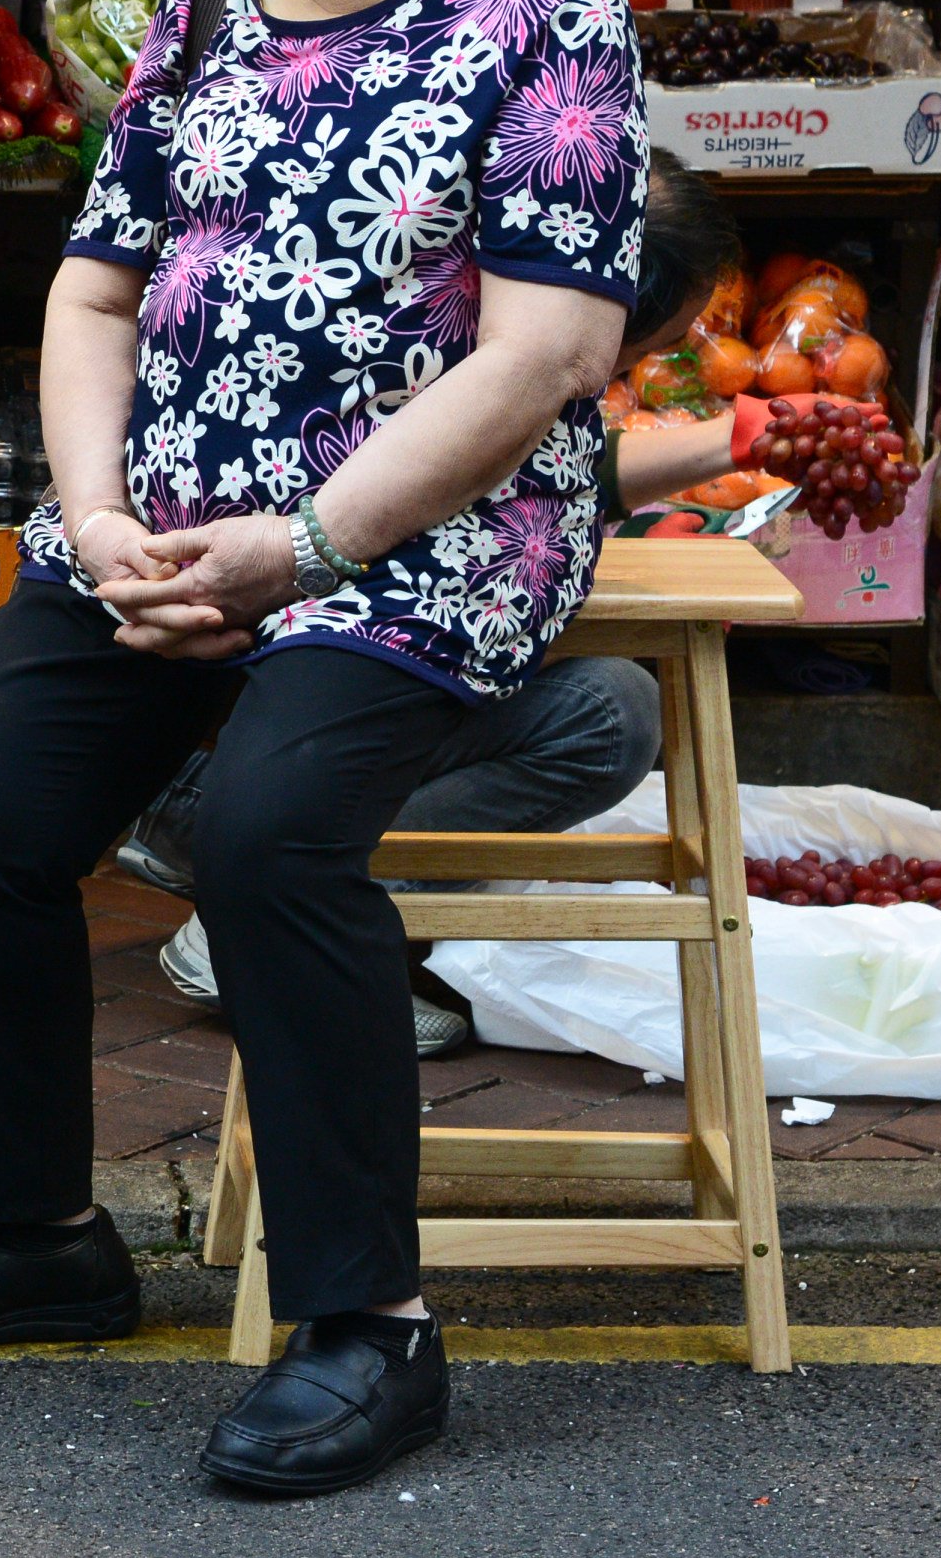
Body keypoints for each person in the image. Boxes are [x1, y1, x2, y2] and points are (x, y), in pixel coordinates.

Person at [0, 0, 651, 1500]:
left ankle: (368, 1327)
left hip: (418, 537)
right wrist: (99, 512)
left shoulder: (550, 2)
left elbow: (550, 349)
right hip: (168, 507)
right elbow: (95, 290)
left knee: (271, 827)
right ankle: (30, 1235)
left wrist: (305, 544)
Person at [126, 166, 745, 1034]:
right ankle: (274, 916)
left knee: (590, 696)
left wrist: (730, 442)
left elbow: (546, 470)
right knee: (607, 715)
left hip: (217, 736)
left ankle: (270, 884)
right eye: (642, 351)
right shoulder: (481, 367)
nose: (631, 368)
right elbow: (472, 499)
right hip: (226, 747)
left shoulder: (437, 295)